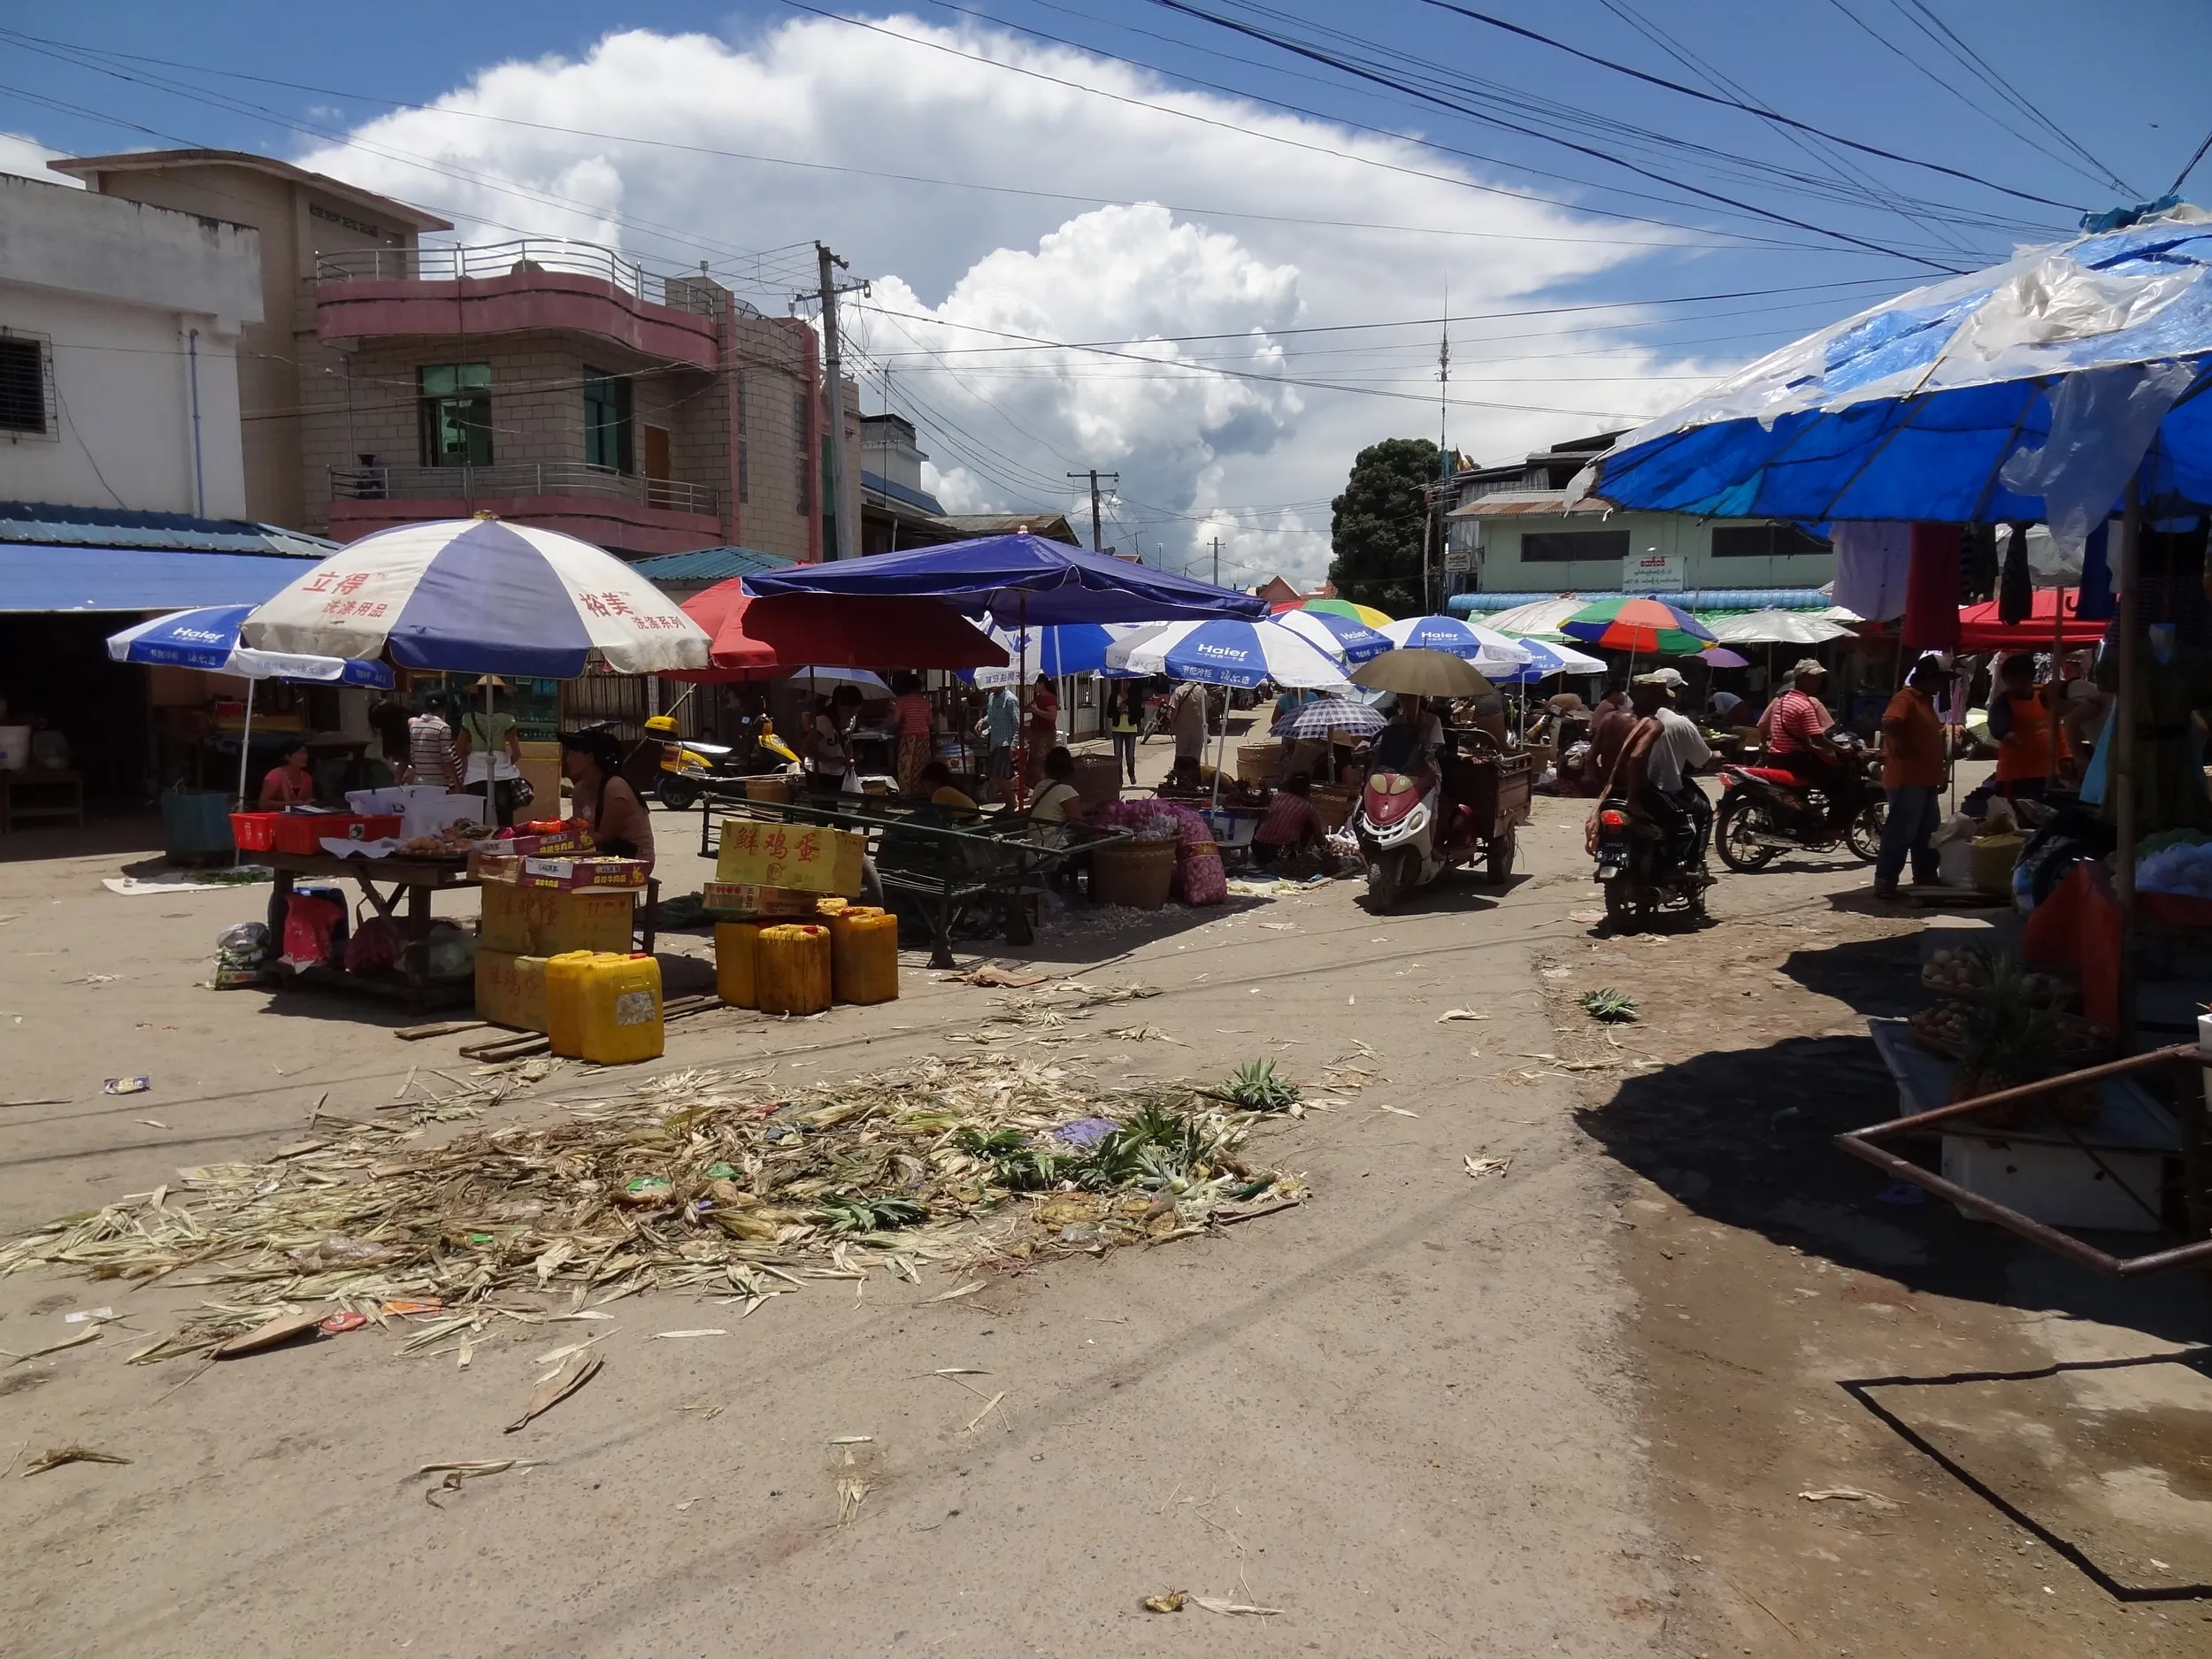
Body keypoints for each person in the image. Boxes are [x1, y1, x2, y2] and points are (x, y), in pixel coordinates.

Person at [1874, 655, 1955, 899]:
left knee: (1927, 833)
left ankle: (1926, 876)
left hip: (1925, 778)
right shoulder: (1906, 698)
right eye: (1941, 679)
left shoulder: (1925, 700)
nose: (1943, 685)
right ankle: (1885, 881)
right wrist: (1904, 745)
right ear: (1929, 677)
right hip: (1907, 779)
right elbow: (1890, 722)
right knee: (1901, 832)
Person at [559, 729, 654, 871]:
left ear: (590, 757)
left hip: (634, 861)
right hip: (601, 854)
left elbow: (603, 837)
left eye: (572, 753)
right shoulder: (579, 790)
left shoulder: (615, 788)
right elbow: (579, 832)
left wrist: (563, 841)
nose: (567, 759)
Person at [1988, 650, 2068, 801]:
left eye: (2018, 678)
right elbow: (1996, 723)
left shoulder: (2045, 695)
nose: (2013, 684)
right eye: (2010, 680)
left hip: (2049, 772)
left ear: (2030, 677)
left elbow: (2058, 729)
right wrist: (2006, 734)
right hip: (2016, 777)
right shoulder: (2002, 703)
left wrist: (2066, 756)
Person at [457, 679, 525, 829]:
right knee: (505, 822)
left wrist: (473, 754)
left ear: (479, 697)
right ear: (500, 698)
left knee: (475, 822)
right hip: (502, 775)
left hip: (475, 776)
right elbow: (517, 753)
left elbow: (459, 750)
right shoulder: (507, 719)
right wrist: (505, 763)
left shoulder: (468, 719)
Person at [1253, 772, 1341, 875]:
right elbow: (1319, 839)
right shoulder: (1307, 807)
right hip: (1277, 852)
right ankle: (1298, 853)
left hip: (1257, 847)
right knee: (1309, 823)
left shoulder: (1278, 797)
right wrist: (1327, 848)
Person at [805, 685, 864, 790]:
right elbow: (805, 749)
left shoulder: (851, 721)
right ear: (838, 705)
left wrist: (850, 759)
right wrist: (832, 760)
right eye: (849, 710)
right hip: (819, 773)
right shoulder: (823, 722)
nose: (851, 715)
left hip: (839, 773)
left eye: (855, 712)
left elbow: (848, 742)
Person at [891, 673, 935, 798]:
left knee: (906, 765)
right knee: (922, 765)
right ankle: (922, 791)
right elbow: (931, 722)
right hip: (924, 737)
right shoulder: (925, 702)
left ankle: (906, 792)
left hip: (908, 737)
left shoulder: (901, 701)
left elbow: (896, 721)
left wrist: (896, 731)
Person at [407, 693, 459, 789]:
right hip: (438, 784)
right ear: (443, 708)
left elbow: (413, 756)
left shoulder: (414, 726)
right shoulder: (443, 727)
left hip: (419, 783)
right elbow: (447, 759)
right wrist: (457, 784)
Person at [1588, 680, 1636, 785]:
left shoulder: (1628, 703)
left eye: (1612, 700)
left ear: (1616, 694)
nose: (1612, 703)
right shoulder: (1611, 709)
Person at [982, 684, 1020, 795]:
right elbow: (990, 716)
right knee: (996, 776)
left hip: (1005, 742)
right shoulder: (991, 697)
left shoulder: (1010, 699)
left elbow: (1017, 723)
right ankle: (1009, 799)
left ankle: (1012, 800)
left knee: (1000, 776)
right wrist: (982, 721)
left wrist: (1014, 744)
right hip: (993, 741)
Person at [258, 738, 316, 809]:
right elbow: (263, 804)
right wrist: (291, 804)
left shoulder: (307, 777)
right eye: (300, 753)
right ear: (287, 757)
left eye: (305, 753)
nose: (305, 756)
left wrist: (310, 802)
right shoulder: (274, 776)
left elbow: (309, 799)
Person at [914, 759, 979, 819]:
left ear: (934, 782)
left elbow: (937, 818)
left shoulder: (940, 793)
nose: (927, 790)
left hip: (967, 827)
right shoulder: (954, 790)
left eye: (926, 786)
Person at [1025, 674, 1060, 784]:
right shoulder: (1038, 697)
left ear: (1042, 685)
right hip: (1037, 733)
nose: (1032, 687)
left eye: (1035, 684)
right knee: (1034, 760)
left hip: (1045, 734)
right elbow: (1028, 708)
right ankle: (1035, 783)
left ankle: (1044, 783)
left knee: (1042, 760)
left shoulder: (1049, 698)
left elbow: (1052, 716)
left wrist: (1037, 711)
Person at [1104, 681, 1141, 783]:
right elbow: (1109, 713)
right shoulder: (1113, 696)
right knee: (1117, 756)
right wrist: (1118, 709)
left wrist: (1128, 701)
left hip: (1131, 729)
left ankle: (1131, 773)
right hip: (1117, 729)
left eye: (1128, 681)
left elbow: (1139, 712)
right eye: (1123, 681)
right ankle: (1119, 778)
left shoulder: (1134, 696)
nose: (1126, 684)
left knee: (1130, 755)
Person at [1168, 678, 1210, 770]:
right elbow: (1206, 710)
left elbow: (1174, 710)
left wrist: (1172, 723)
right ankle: (1193, 774)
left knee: (1181, 754)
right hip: (1198, 728)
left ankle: (1180, 774)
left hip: (1182, 727)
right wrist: (1205, 725)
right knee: (1195, 754)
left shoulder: (1179, 690)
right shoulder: (1203, 691)